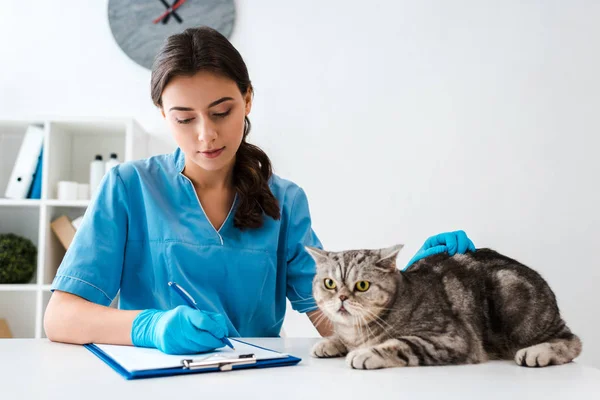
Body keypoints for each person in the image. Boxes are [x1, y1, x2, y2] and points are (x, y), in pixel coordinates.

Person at [44, 26, 475, 355]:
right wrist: (150, 328)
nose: (205, 135)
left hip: (257, 382)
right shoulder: (129, 188)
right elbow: (60, 318)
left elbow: (334, 318)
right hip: (153, 379)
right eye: (184, 118)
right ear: (162, 113)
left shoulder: (285, 202)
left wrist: (405, 291)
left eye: (222, 111)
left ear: (247, 100)